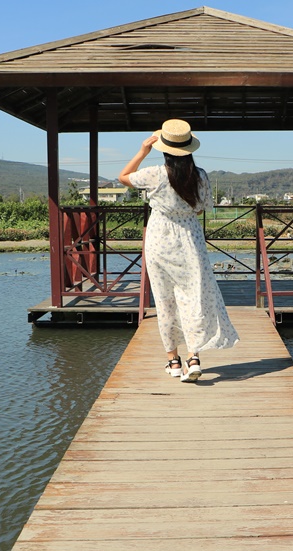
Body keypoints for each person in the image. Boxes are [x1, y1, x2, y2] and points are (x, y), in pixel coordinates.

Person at [119, 119, 239, 383]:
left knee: (164, 300)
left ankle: (173, 361)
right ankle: (193, 358)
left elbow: (123, 177)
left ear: (164, 148)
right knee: (193, 296)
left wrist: (142, 151)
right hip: (189, 237)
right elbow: (201, 207)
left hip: (159, 238)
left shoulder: (154, 174)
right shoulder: (201, 175)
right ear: (189, 148)